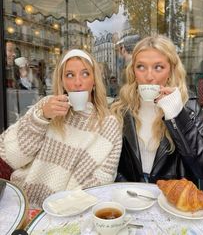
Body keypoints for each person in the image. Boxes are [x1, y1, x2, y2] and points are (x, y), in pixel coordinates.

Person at [0, 49, 122, 208]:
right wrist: (41, 117)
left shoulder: (109, 125)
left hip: (69, 211)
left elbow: (101, 181)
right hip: (23, 204)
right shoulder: (47, 105)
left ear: (94, 81)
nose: (77, 82)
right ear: (62, 81)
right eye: (69, 75)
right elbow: (14, 156)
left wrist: (59, 209)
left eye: (85, 74)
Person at [111, 35, 203, 185]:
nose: (149, 76)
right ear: (133, 70)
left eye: (158, 67)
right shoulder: (121, 107)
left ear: (171, 70)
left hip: (171, 201)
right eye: (141, 66)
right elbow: (112, 164)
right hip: (132, 199)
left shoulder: (188, 106)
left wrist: (177, 114)